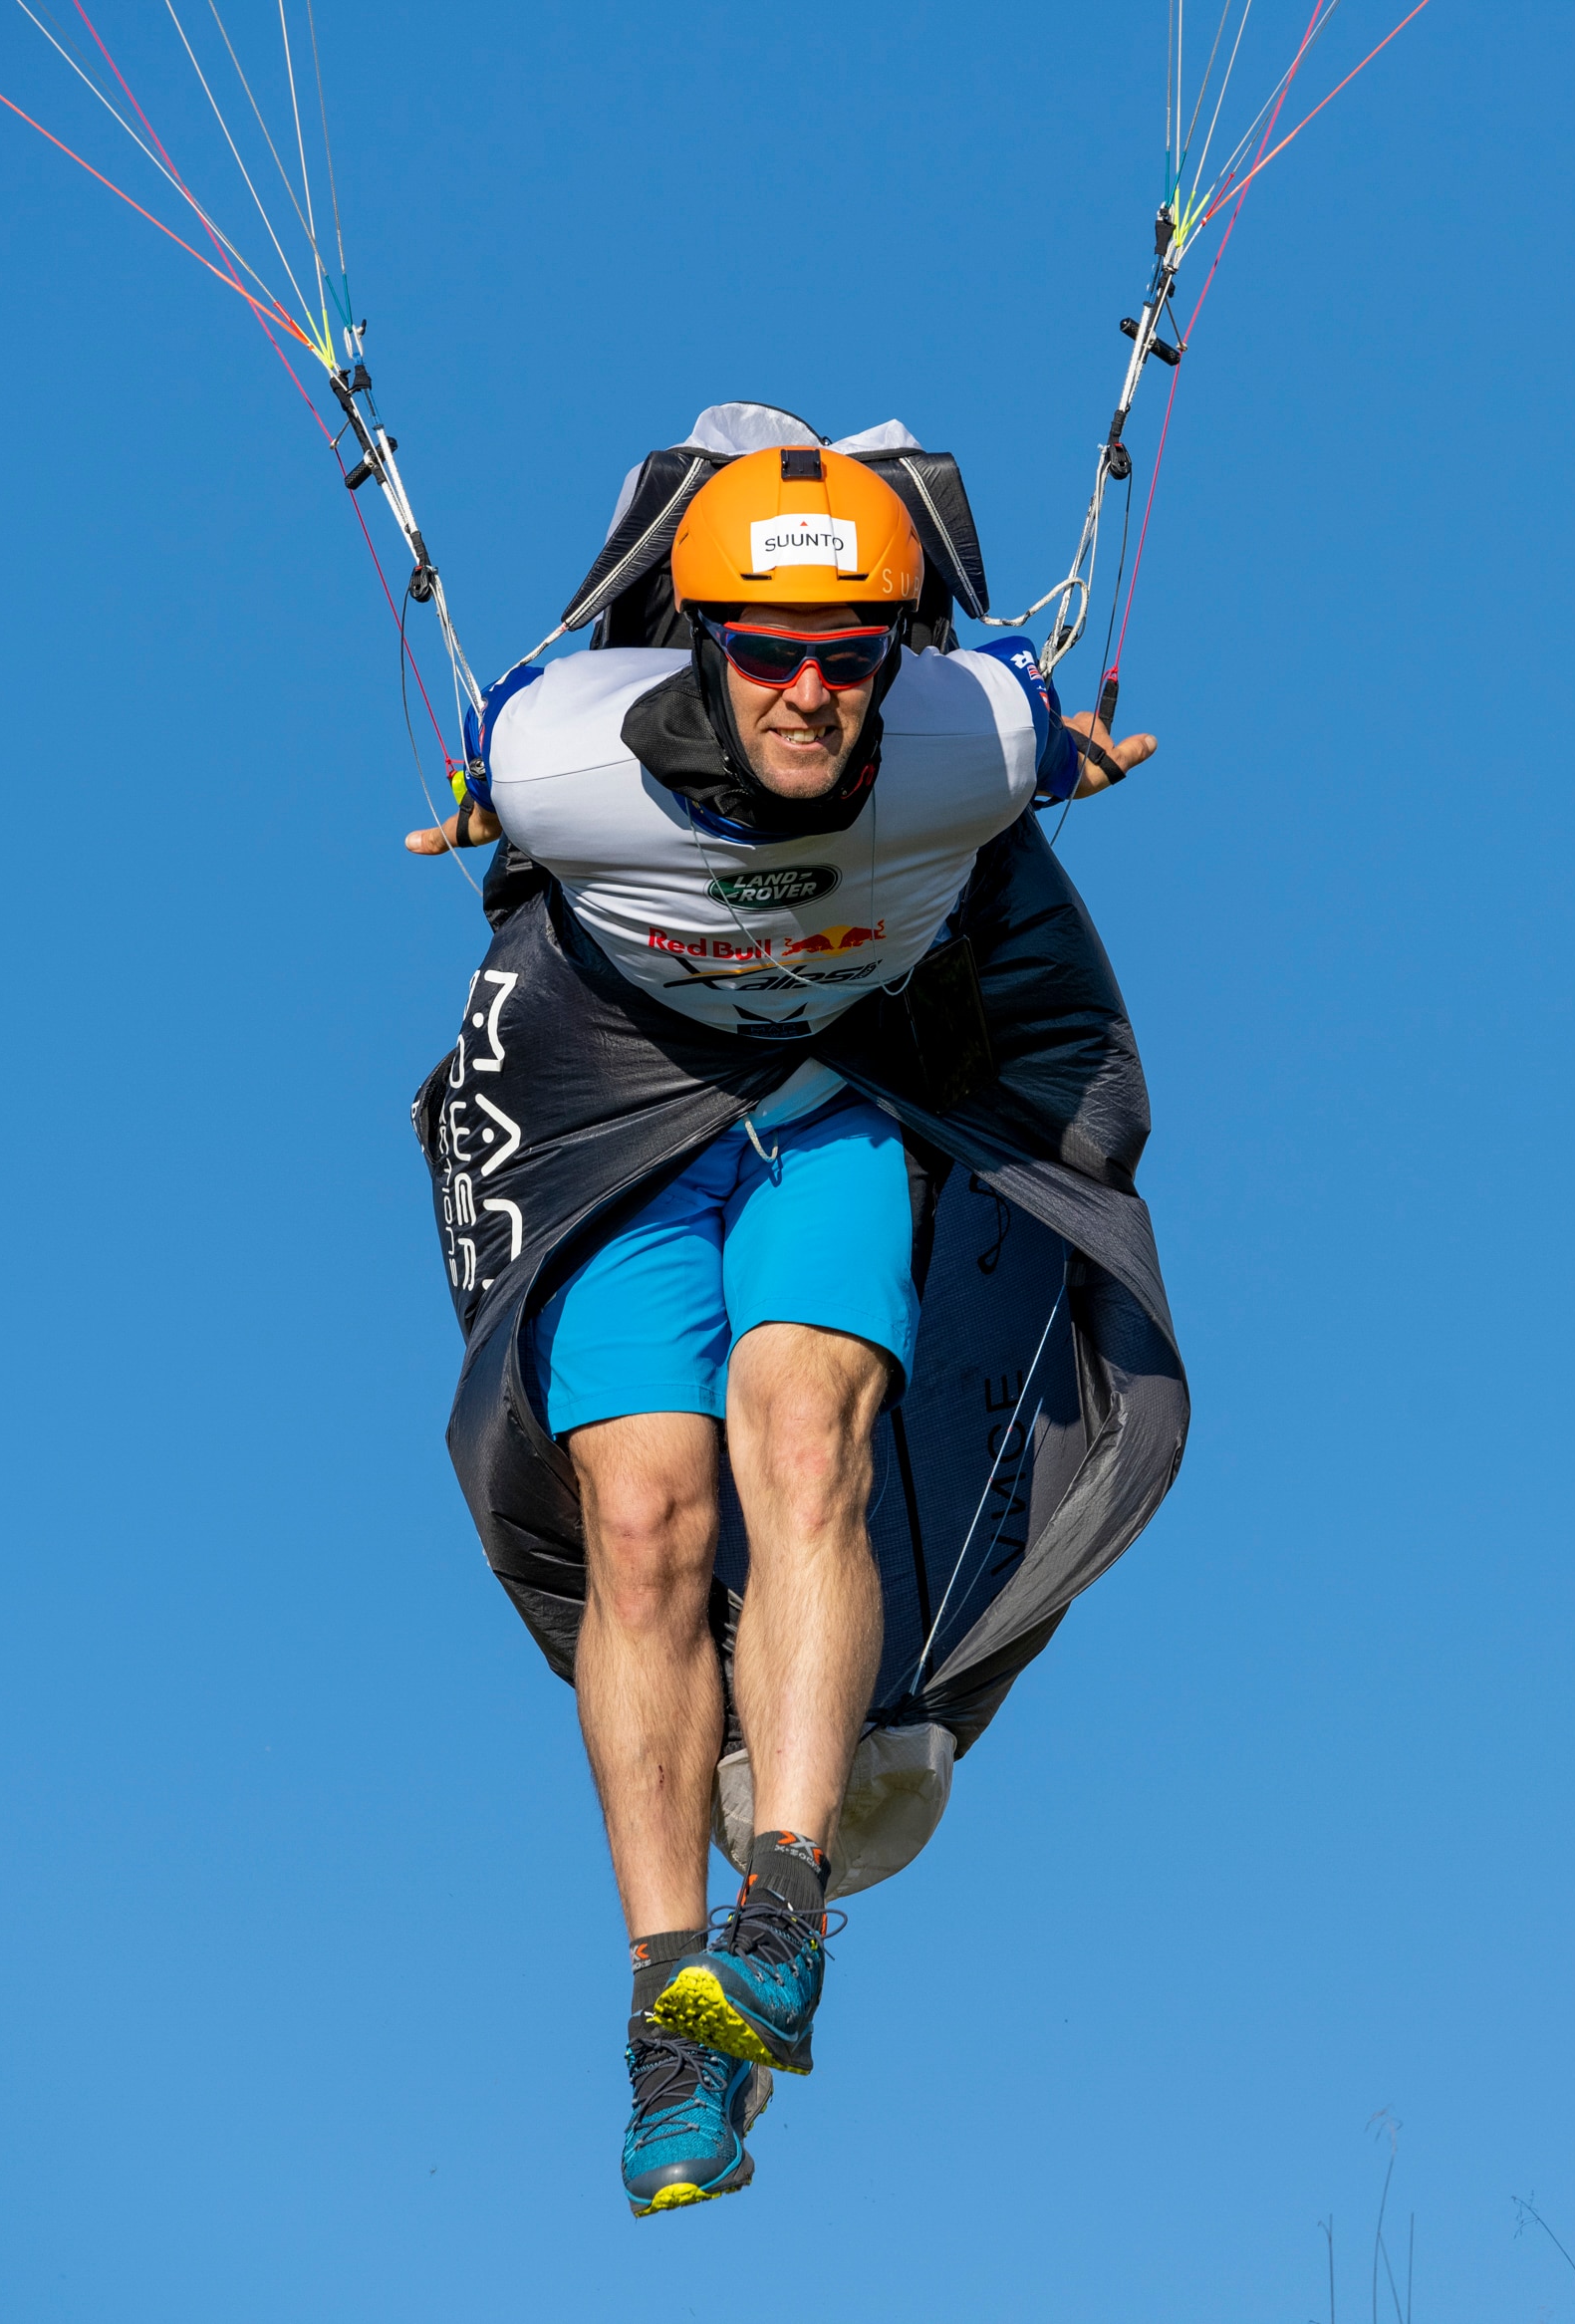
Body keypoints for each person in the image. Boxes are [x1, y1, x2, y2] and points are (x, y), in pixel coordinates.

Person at [404, 440, 1155, 2214]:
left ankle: (783, 1906)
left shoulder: (974, 738)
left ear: (898, 649)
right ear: (701, 649)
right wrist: (483, 805)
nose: (811, 689)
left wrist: (1080, 754)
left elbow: (1040, 726)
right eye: (766, 651)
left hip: (833, 1094)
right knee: (645, 1519)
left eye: (849, 652)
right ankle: (673, 2022)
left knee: (803, 1435)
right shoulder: (560, 759)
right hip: (613, 1105)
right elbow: (499, 768)